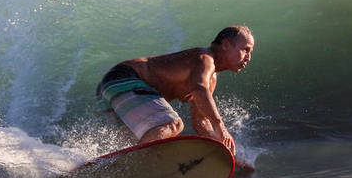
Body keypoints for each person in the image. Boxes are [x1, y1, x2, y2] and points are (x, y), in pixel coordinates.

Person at [96, 25, 254, 156]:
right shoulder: (205, 59)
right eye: (245, 49)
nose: (248, 57)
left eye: (250, 52)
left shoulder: (211, 79)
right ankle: (134, 165)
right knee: (173, 124)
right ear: (226, 45)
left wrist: (222, 152)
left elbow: (200, 122)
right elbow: (199, 90)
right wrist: (220, 127)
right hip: (124, 77)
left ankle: (111, 170)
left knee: (131, 141)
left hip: (110, 85)